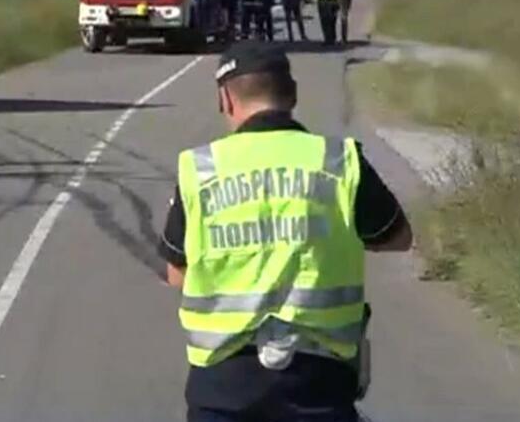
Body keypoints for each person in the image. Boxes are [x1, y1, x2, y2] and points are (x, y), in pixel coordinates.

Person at [159, 41, 412, 422]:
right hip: (318, 382)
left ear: (225, 100)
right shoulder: (338, 161)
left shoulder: (199, 170)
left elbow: (177, 274)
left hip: (222, 385)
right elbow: (397, 237)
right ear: (292, 95)